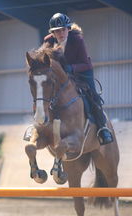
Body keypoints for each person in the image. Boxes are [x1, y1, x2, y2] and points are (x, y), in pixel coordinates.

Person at [44, 13, 113, 145]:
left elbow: (86, 64)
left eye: (63, 30)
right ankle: (40, 126)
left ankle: (102, 128)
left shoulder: (77, 40)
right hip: (60, 76)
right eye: (57, 31)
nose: (61, 34)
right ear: (52, 33)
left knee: (93, 96)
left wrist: (70, 68)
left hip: (81, 72)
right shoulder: (48, 41)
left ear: (68, 29)